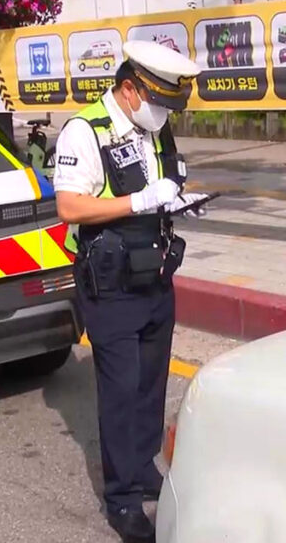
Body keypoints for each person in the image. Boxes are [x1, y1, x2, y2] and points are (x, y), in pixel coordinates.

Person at [53, 40, 208, 543]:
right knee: (120, 390)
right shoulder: (85, 131)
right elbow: (71, 208)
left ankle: (143, 468)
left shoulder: (154, 130)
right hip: (112, 282)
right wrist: (138, 199)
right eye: (158, 102)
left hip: (155, 274)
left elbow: (165, 183)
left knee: (150, 385)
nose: (163, 114)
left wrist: (180, 201)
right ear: (129, 89)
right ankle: (122, 498)